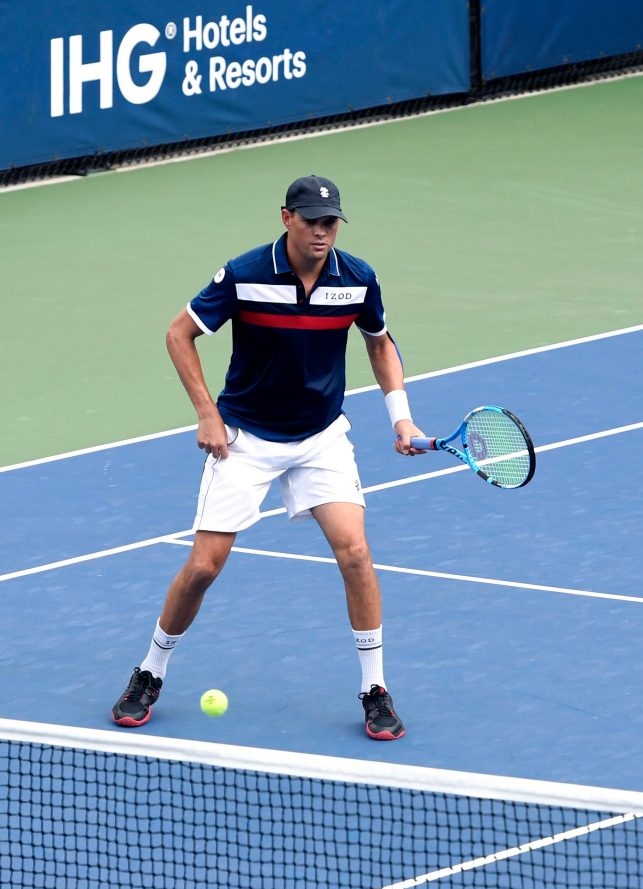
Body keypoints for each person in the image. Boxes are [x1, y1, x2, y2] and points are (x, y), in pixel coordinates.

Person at [112, 175, 425, 740]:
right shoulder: (245, 274)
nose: (322, 233)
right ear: (286, 218)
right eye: (312, 222)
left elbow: (379, 341)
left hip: (320, 437)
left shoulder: (357, 278)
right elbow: (179, 333)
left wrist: (400, 416)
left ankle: (374, 688)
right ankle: (149, 671)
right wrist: (208, 413)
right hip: (246, 438)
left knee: (355, 553)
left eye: (331, 223)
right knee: (204, 566)